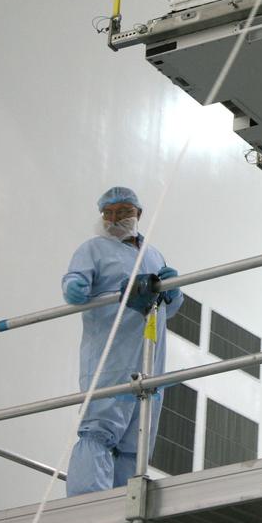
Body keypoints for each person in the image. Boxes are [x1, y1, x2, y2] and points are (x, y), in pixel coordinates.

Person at [60, 186, 184, 495]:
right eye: (109, 213)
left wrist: (174, 291)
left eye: (123, 212)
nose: (115, 218)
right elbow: (76, 283)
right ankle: (88, 501)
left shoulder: (153, 255)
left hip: (149, 353)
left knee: (137, 437)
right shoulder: (94, 249)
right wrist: (73, 284)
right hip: (110, 351)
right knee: (100, 428)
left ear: (138, 214)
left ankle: (124, 499)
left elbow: (170, 309)